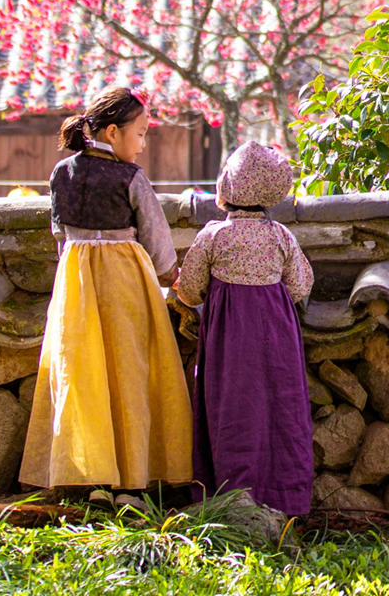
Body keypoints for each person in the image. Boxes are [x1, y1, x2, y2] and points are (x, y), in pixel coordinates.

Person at [19, 87, 194, 493]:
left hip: (75, 281)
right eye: (141, 134)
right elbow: (156, 236)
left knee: (83, 373)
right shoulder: (130, 177)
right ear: (112, 133)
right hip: (124, 280)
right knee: (130, 371)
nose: (144, 144)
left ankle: (86, 473)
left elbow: (59, 232)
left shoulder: (61, 174)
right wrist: (172, 276)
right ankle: (133, 476)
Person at [174, 142, 314, 515]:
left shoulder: (214, 236)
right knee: (279, 405)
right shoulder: (281, 236)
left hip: (228, 340)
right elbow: (300, 285)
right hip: (275, 335)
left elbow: (188, 290)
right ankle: (285, 498)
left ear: (227, 188)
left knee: (231, 406)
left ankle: (227, 496)